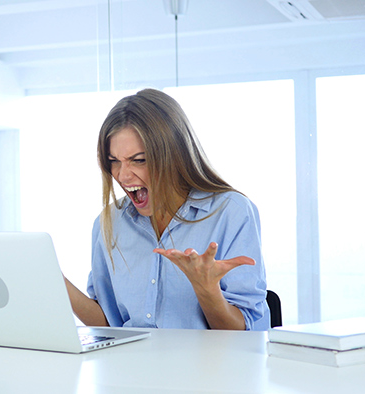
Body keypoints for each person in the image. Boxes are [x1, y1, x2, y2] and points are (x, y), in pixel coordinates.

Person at [64, 88, 270, 331]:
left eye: (138, 160)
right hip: (130, 366)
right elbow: (109, 323)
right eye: (114, 161)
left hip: (206, 368)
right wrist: (55, 282)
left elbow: (245, 333)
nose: (122, 175)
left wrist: (207, 290)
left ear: (174, 155)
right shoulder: (109, 222)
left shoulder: (231, 212)